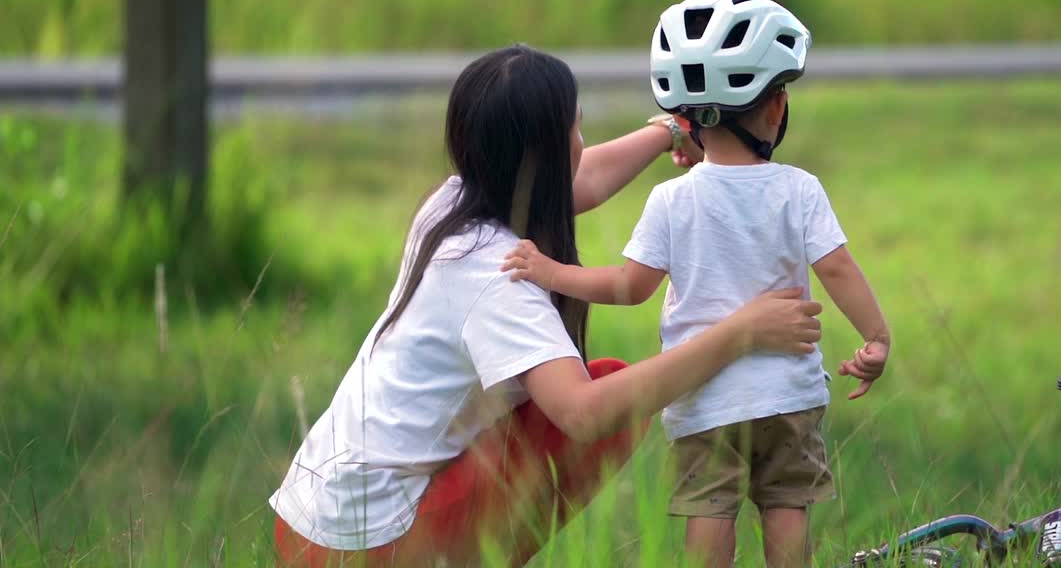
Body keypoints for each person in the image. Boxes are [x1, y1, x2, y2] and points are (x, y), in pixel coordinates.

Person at [269, 44, 826, 567]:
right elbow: (584, 415)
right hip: (366, 546)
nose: (582, 139)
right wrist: (740, 332)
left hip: (308, 520)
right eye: (577, 126)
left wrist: (667, 132)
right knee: (605, 396)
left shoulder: (452, 203)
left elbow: (581, 178)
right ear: (546, 151)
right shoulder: (497, 276)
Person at [502, 0, 892, 568]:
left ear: (685, 119)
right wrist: (876, 338)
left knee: (710, 514)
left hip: (706, 399)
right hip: (789, 395)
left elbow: (629, 288)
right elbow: (836, 267)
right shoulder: (799, 189)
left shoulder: (670, 199)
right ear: (776, 107)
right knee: (788, 505)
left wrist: (552, 271)